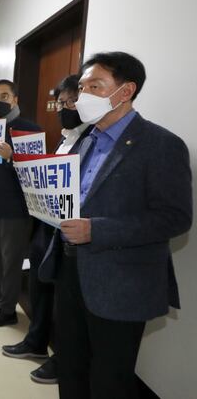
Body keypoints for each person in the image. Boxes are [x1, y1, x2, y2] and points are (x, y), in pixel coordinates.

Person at [40, 52, 192, 399]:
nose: (83, 95)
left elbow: (175, 217)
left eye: (95, 86)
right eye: (82, 88)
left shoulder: (160, 145)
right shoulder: (84, 141)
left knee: (110, 380)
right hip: (70, 271)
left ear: (125, 91)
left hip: (122, 283)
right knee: (70, 368)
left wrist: (98, 230)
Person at [1, 75, 92, 384]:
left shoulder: (93, 138)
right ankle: (36, 340)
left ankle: (62, 359)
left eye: (71, 102)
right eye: (62, 103)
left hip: (73, 233)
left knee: (66, 302)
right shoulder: (66, 138)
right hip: (47, 226)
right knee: (40, 286)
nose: (65, 108)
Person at [0, 79, 41, 327]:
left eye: (3, 96)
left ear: (15, 99)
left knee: (11, 261)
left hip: (16, 208)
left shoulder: (30, 129)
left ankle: (7, 310)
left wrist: (12, 156)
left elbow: (36, 170)